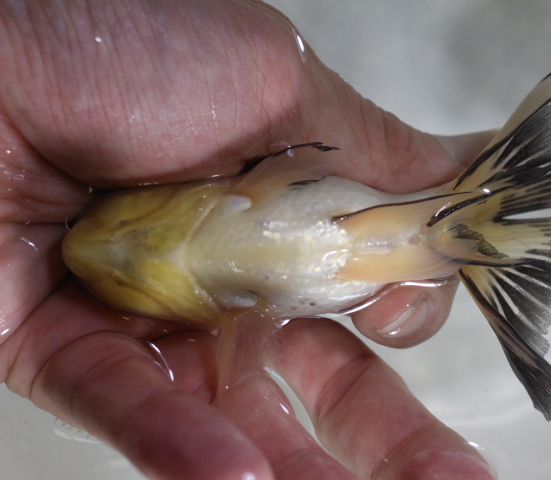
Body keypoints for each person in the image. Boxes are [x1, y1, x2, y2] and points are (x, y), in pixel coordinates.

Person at [0, 1, 496, 479]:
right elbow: (298, 164)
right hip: (312, 248)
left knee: (421, 244)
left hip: (301, 251)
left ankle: (474, 220)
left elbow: (243, 347)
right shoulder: (244, 221)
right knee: (423, 245)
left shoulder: (242, 250)